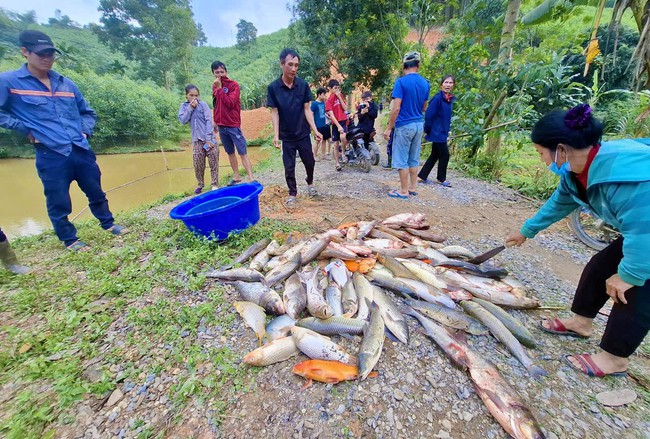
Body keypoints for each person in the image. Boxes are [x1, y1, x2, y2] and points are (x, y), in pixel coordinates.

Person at [506, 104, 650, 378]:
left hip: (647, 229)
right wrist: (527, 230)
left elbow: (645, 232)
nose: (540, 160)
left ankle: (614, 359)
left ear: (561, 149)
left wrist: (630, 274)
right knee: (600, 267)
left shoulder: (623, 175)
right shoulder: (576, 171)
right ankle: (581, 322)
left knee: (635, 288)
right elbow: (560, 203)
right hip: (642, 230)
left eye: (540, 153)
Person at [0, 30, 128, 252]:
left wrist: (85, 133)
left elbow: (88, 113)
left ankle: (108, 224)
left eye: (50, 53)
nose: (46, 58)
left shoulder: (66, 83)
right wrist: (24, 128)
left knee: (95, 190)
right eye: (40, 54)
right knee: (58, 198)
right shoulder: (9, 82)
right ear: (24, 52)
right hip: (50, 152)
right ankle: (70, 239)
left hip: (79, 147)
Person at [267, 48, 323, 207]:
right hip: (287, 136)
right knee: (289, 166)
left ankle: (310, 182)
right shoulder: (273, 88)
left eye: (296, 65)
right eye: (290, 64)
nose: (293, 69)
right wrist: (276, 135)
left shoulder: (303, 85)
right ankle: (292, 192)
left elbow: (307, 109)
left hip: (303, 134)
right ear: (282, 64)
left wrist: (315, 129)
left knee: (310, 161)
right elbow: (275, 112)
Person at [383, 51, 430, 199]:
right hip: (418, 124)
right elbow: (424, 107)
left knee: (401, 158)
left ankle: (403, 191)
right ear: (418, 65)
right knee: (414, 157)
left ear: (404, 66)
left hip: (404, 125)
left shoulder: (401, 82)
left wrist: (389, 128)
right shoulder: (425, 83)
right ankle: (412, 188)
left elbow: (396, 108)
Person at [211, 61, 254, 185]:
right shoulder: (214, 85)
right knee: (230, 151)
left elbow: (230, 103)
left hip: (232, 124)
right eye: (217, 72)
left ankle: (251, 177)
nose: (220, 74)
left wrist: (220, 89)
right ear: (213, 73)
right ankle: (236, 176)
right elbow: (216, 104)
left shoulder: (233, 85)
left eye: (222, 71)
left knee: (242, 150)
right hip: (221, 125)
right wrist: (215, 120)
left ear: (226, 72)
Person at [178, 85, 219, 194]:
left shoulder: (203, 105)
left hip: (209, 139)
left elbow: (209, 120)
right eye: (191, 95)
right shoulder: (184, 107)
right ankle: (200, 184)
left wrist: (209, 139)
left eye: (196, 95)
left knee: (213, 160)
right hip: (196, 140)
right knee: (198, 164)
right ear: (186, 95)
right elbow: (183, 120)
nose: (194, 97)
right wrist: (190, 108)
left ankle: (214, 183)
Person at [418, 75, 456, 187]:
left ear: (453, 85)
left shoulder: (449, 99)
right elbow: (429, 115)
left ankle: (422, 176)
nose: (448, 85)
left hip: (443, 132)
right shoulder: (438, 98)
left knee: (435, 154)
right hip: (436, 132)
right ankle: (441, 179)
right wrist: (427, 129)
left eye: (450, 83)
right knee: (445, 155)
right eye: (446, 82)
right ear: (441, 84)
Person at [325, 79, 348, 171]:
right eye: (335, 88)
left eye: (338, 88)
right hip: (335, 123)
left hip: (343, 120)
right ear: (330, 89)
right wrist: (338, 126)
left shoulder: (340, 96)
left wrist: (339, 97)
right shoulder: (329, 101)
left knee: (343, 137)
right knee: (335, 143)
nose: (337, 90)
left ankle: (343, 153)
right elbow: (332, 115)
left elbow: (345, 108)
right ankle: (337, 163)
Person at [311, 87, 331, 161]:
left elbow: (325, 112)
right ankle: (314, 155)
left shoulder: (324, 103)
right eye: (323, 94)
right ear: (319, 95)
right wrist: (313, 126)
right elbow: (311, 114)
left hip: (325, 124)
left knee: (324, 140)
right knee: (317, 140)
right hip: (318, 125)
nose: (325, 96)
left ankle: (323, 155)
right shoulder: (314, 104)